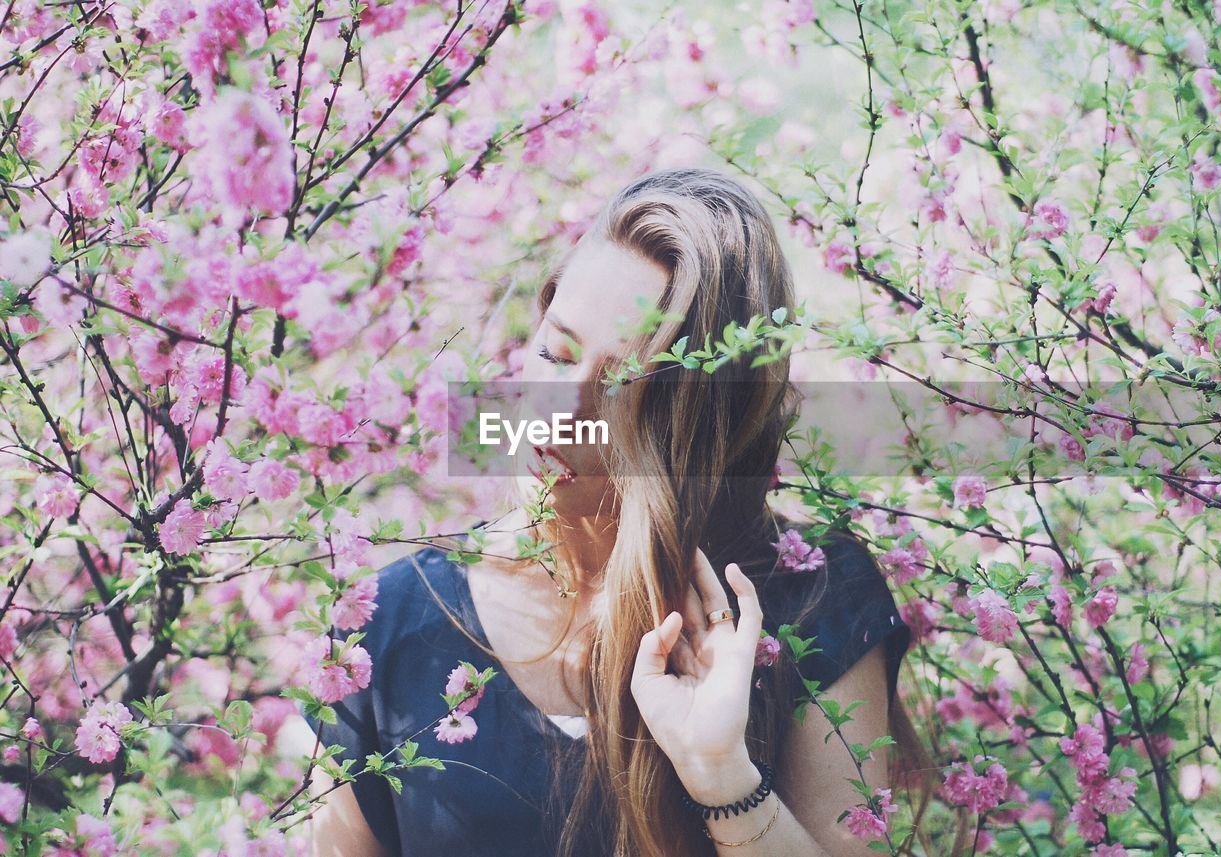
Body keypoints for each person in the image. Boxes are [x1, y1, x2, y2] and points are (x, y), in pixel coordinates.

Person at [288, 167, 933, 856]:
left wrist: (723, 778)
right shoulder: (384, 626)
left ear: (697, 426)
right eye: (553, 351)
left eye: (619, 393)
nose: (558, 415)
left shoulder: (812, 598)